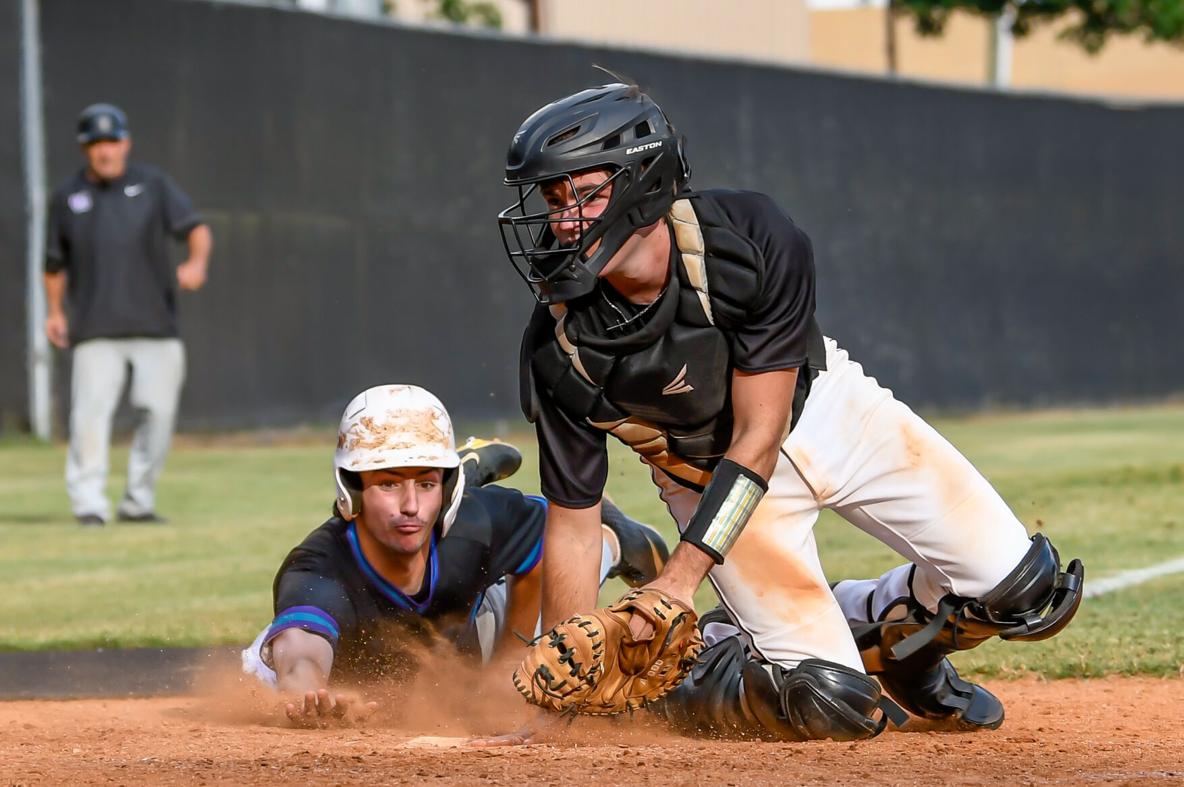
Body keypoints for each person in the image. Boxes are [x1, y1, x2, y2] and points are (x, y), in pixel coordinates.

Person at [496, 81, 1084, 740]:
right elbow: (574, 523)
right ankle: (714, 655)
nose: (562, 219)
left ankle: (895, 641)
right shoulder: (559, 342)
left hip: (830, 414)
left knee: (1028, 590)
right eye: (553, 198)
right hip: (702, 479)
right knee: (830, 705)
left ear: (643, 182)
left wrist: (678, 580)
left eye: (584, 193)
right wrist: (568, 681)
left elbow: (760, 434)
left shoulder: (747, 237)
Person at [240, 384, 669, 727]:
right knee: (259, 668)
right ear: (349, 492)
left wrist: (510, 659)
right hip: (414, 654)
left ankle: (614, 537)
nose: (410, 505)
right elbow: (300, 654)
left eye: (427, 484)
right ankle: (468, 468)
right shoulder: (319, 567)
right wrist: (307, 691)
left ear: (447, 492)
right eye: (388, 484)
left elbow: (554, 539)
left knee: (574, 558)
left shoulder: (474, 526)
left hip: (475, 628)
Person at [44, 103, 212, 526]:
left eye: (112, 141)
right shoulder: (67, 197)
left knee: (158, 413)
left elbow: (196, 229)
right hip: (95, 328)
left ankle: (138, 502)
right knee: (89, 417)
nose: (106, 151)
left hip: (156, 326)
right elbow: (52, 263)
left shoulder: (152, 185)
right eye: (96, 144)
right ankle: (89, 505)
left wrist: (196, 263)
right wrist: (53, 312)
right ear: (84, 149)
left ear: (126, 142)